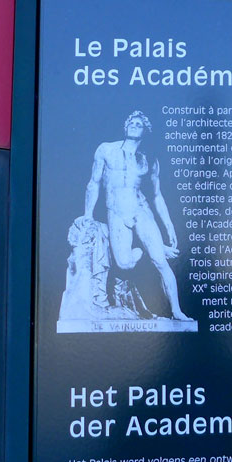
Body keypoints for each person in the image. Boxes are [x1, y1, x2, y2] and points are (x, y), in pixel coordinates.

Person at [84, 110, 189, 322]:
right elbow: (93, 183)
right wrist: (88, 214)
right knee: (124, 264)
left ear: (145, 131)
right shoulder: (106, 149)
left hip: (141, 210)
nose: (133, 125)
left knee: (161, 261)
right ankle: (142, 249)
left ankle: (177, 311)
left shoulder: (148, 160)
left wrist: (169, 226)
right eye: (131, 122)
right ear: (125, 126)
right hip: (116, 212)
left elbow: (157, 195)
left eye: (138, 124)